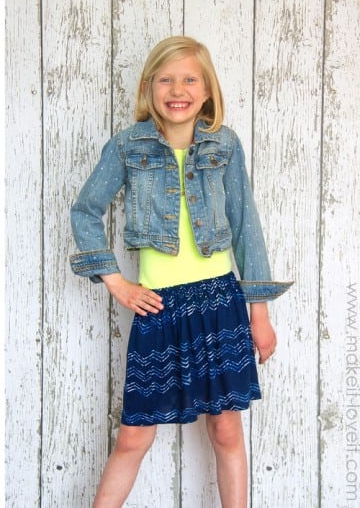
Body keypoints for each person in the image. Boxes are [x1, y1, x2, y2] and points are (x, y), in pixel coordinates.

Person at [69, 36, 291, 507]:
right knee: (134, 436)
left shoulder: (224, 146)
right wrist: (116, 282)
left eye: (190, 79)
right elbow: (86, 211)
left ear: (207, 91)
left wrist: (260, 313)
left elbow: (247, 226)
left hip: (219, 302)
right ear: (149, 89)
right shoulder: (128, 147)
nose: (178, 89)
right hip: (160, 307)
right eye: (166, 79)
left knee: (226, 428)